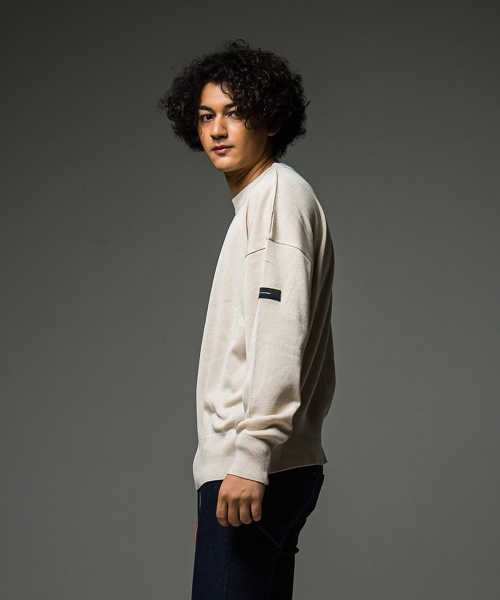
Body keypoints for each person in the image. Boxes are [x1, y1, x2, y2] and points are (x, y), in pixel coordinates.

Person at [157, 39, 336, 600]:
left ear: (271, 119)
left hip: (256, 466)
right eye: (206, 115)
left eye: (234, 113)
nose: (217, 129)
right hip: (269, 466)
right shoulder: (266, 201)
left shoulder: (274, 199)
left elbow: (278, 332)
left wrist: (249, 458)